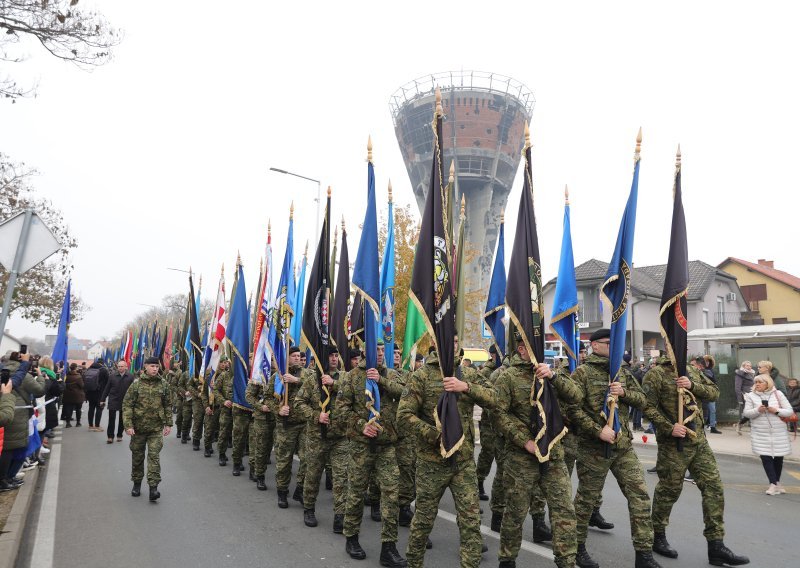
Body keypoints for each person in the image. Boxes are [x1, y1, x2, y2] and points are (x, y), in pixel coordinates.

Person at [397, 336, 495, 568]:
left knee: (471, 523)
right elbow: (403, 415)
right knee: (423, 522)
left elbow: (496, 399)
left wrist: (466, 387)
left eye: (455, 340)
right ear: (434, 340)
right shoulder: (421, 376)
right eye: (446, 339)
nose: (451, 344)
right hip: (432, 462)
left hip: (462, 462)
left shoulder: (468, 374)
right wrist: (433, 435)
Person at [643, 354, 749, 566]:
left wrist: (693, 385)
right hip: (674, 443)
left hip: (698, 441)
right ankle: (658, 536)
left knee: (713, 487)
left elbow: (714, 393)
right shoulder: (655, 375)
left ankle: (716, 545)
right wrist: (668, 427)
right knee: (669, 490)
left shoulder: (691, 371)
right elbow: (646, 407)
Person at [569, 329, 660, 568]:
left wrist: (624, 392)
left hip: (622, 446)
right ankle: (577, 548)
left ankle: (644, 554)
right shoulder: (582, 373)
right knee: (586, 501)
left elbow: (643, 401)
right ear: (595, 346)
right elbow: (571, 410)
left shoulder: (622, 373)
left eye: (615, 343)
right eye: (609, 343)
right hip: (594, 447)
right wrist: (597, 430)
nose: (614, 347)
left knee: (639, 496)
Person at [494, 334, 579, 568]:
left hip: (553, 454)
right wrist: (524, 441)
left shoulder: (552, 373)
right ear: (521, 349)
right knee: (515, 512)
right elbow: (498, 414)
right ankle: (507, 559)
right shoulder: (507, 377)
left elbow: (576, 396)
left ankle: (566, 561)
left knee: (563, 511)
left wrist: (552, 376)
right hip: (522, 457)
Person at [336, 341, 406, 567]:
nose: (379, 352)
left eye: (381, 348)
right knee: (356, 493)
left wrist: (381, 380)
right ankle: (352, 538)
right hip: (361, 445)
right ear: (365, 351)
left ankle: (389, 546)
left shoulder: (393, 374)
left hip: (386, 446)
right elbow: (341, 410)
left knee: (391, 495)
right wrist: (360, 425)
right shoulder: (351, 377)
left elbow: (405, 394)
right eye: (374, 349)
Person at [294, 348, 348, 530]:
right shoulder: (312, 379)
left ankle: (340, 515)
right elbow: (299, 403)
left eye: (335, 355)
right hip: (317, 436)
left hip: (340, 437)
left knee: (341, 477)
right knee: (313, 474)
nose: (334, 358)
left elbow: (353, 396)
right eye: (330, 355)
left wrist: (335, 384)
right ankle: (309, 508)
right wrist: (316, 416)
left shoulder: (345, 378)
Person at [122, 356, 172, 501]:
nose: (155, 369)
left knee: (154, 457)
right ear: (145, 367)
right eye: (152, 366)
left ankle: (153, 488)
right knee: (137, 457)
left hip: (156, 429)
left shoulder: (163, 384)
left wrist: (168, 423)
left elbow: (167, 404)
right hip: (138, 429)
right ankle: (137, 484)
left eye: (157, 367)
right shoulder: (136, 385)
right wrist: (128, 425)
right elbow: (127, 405)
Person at [267, 346, 307, 506]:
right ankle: (282, 492)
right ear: (287, 358)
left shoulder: (307, 374)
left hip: (304, 424)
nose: (297, 358)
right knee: (284, 461)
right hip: (285, 426)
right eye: (294, 356)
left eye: (299, 356)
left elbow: (316, 385)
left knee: (307, 460)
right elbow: (268, 398)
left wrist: (296, 380)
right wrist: (278, 409)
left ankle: (300, 489)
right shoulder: (277, 377)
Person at [0, 352, 45, 490]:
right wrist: (41, 378)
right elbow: (39, 390)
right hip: (15, 416)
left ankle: (7, 478)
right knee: (14, 448)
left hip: (8, 412)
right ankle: (5, 479)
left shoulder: (4, 373)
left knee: (7, 448)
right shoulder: (24, 375)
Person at [742, 374, 793, 494]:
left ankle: (777, 483)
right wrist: (757, 410)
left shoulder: (778, 394)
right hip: (761, 433)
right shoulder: (750, 396)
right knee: (766, 457)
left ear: (768, 383)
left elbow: (789, 411)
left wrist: (776, 410)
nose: (757, 384)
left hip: (778, 432)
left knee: (778, 458)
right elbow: (747, 413)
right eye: (756, 382)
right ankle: (773, 483)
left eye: (760, 382)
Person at [245, 360, 276, 491]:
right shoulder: (259, 375)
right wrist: (260, 406)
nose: (275, 362)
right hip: (261, 418)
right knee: (260, 447)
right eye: (272, 359)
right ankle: (259, 475)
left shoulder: (281, 376)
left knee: (269, 448)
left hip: (275, 417)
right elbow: (249, 396)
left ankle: (258, 468)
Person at [101, 360, 135, 443]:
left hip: (125, 401)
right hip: (113, 399)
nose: (120, 368)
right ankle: (110, 436)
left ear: (126, 367)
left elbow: (134, 390)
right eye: (119, 366)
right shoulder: (112, 376)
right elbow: (107, 388)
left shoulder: (130, 377)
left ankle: (119, 435)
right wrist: (102, 399)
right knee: (111, 419)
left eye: (122, 366)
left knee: (122, 419)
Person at [213, 360, 235, 467]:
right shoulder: (223, 375)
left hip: (240, 410)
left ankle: (237, 459)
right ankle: (222, 454)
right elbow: (215, 390)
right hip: (227, 409)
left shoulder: (244, 375)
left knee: (239, 435)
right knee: (224, 432)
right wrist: (223, 401)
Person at [38, 357, 64, 439]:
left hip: (37, 403)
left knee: (37, 426)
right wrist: (61, 382)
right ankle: (40, 445)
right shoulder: (51, 376)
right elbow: (57, 392)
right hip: (47, 404)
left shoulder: (36, 372)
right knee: (43, 426)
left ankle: (41, 443)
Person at [83, 358, 109, 432]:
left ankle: (90, 426)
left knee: (91, 408)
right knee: (99, 409)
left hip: (90, 392)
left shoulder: (89, 369)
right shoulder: (104, 370)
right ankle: (97, 426)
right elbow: (108, 381)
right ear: (102, 363)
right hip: (100, 393)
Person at [734, 361, 755, 434]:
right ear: (743, 366)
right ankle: (741, 425)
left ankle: (740, 425)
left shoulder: (752, 373)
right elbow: (737, 387)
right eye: (747, 365)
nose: (749, 367)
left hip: (753, 394)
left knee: (753, 412)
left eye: (750, 365)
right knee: (748, 412)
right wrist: (739, 399)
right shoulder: (740, 374)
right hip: (745, 395)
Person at [62, 363, 85, 427]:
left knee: (69, 409)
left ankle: (68, 423)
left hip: (68, 395)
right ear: (76, 368)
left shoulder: (66, 376)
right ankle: (78, 422)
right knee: (78, 409)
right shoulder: (78, 376)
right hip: (77, 395)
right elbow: (82, 386)